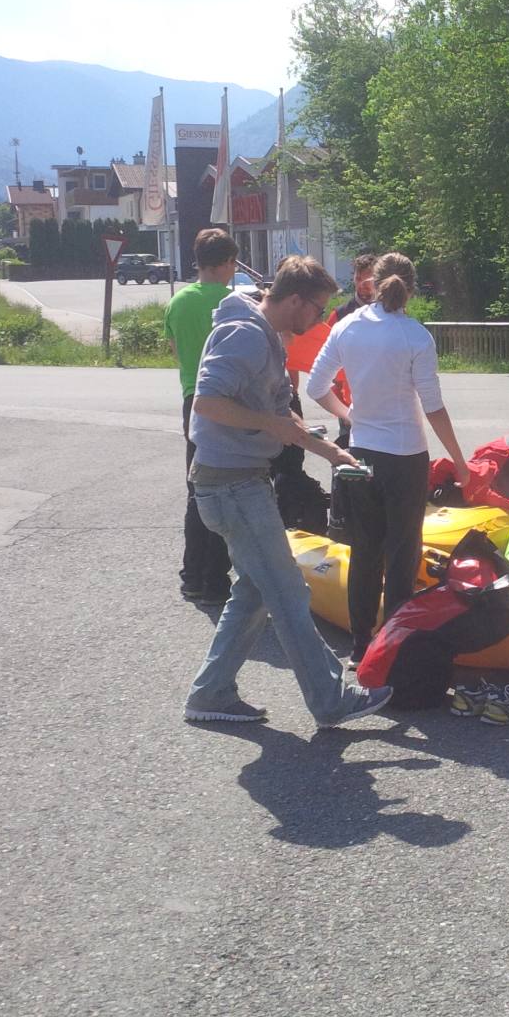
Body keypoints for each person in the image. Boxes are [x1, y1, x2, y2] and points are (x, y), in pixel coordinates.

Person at [183, 255, 393, 728]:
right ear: (295, 300)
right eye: (317, 309)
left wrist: (330, 452)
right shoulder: (245, 335)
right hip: (231, 485)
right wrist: (270, 425)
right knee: (288, 591)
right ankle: (331, 700)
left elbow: (281, 413)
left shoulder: (267, 336)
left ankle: (211, 693)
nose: (318, 320)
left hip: (239, 481)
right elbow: (207, 401)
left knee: (254, 591)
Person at [306, 252, 476, 666]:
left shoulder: (346, 326)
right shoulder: (416, 336)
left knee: (365, 549)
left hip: (360, 453)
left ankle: (359, 645)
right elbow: (433, 407)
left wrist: (349, 416)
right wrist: (459, 461)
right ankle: (393, 646)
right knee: (403, 552)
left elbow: (315, 386)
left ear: (373, 284)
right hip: (405, 456)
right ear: (411, 290)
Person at [163, 228, 237, 606]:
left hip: (191, 398)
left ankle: (192, 576)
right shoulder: (233, 303)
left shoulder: (177, 302)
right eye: (233, 263)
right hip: (226, 400)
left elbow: (176, 351)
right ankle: (216, 579)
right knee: (227, 489)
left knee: (197, 489)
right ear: (225, 263)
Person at [283, 252, 378, 445]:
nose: (362, 284)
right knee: (351, 447)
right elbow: (323, 355)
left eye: (368, 279)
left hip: (379, 398)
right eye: (358, 278)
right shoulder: (340, 314)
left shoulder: (389, 312)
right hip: (348, 402)